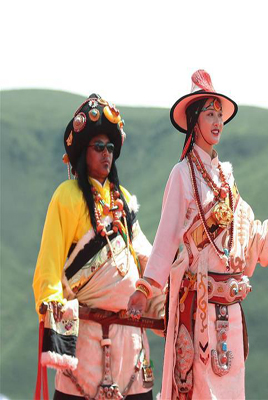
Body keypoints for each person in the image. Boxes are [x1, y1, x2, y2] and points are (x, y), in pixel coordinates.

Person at [127, 70, 268, 399]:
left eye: (220, 115)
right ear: (194, 121)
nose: (217, 122)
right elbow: (166, 239)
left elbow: (248, 235)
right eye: (209, 115)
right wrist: (145, 288)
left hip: (230, 309)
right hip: (198, 308)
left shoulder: (226, 179)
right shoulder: (182, 174)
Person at [33, 94, 164, 400]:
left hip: (130, 342)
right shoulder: (66, 196)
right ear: (84, 152)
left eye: (110, 148)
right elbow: (49, 263)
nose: (107, 154)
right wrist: (53, 310)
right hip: (86, 338)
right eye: (99, 147)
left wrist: (163, 297)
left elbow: (143, 255)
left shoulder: (124, 200)